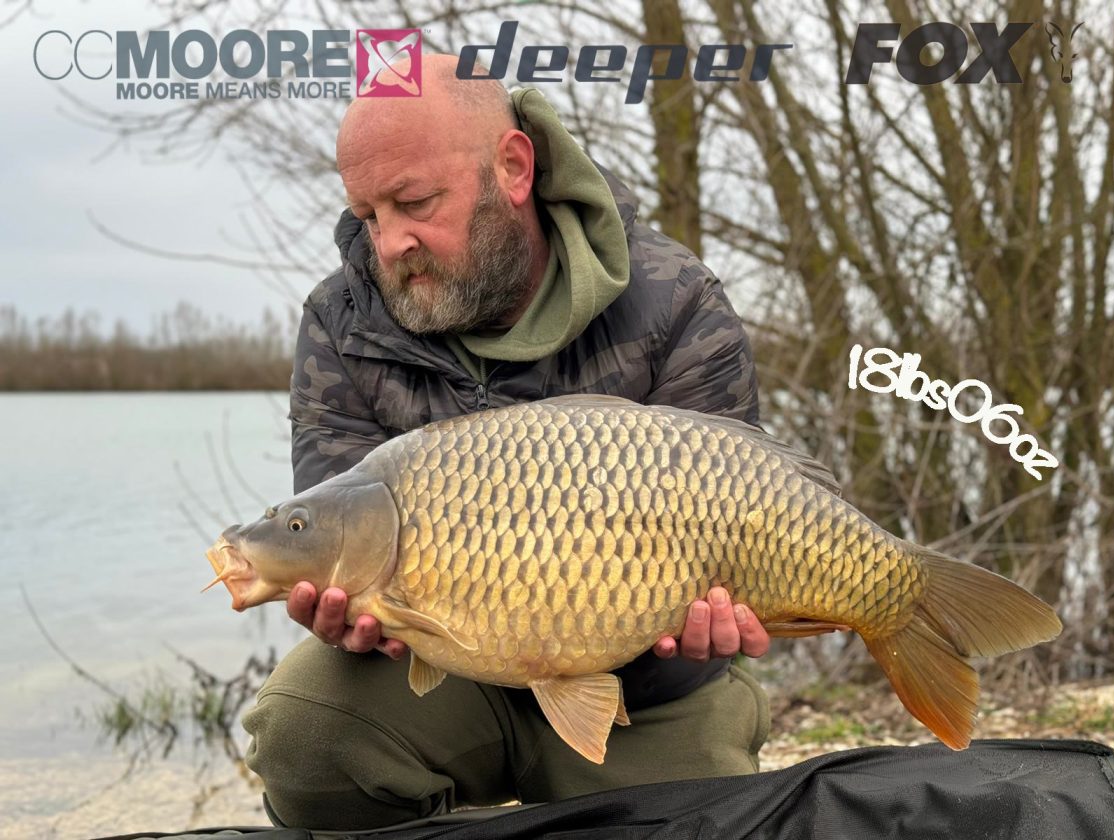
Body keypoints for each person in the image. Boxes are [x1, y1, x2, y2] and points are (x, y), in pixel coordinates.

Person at [243, 55, 772, 831]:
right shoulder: (341, 321)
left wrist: (725, 621)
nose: (389, 243)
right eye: (367, 214)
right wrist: (338, 604)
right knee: (303, 736)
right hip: (437, 674)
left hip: (646, 689)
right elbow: (334, 520)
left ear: (514, 169)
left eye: (415, 202)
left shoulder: (675, 302)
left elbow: (747, 506)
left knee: (700, 824)